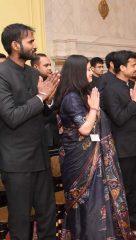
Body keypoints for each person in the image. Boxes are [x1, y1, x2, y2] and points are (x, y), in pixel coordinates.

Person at [55, 55, 136, 239]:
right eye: (87, 69)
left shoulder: (82, 94)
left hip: (93, 154)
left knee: (98, 200)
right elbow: (84, 128)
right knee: (86, 202)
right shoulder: (71, 98)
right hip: (79, 160)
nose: (91, 72)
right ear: (77, 73)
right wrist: (93, 109)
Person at [0, 23, 59, 239]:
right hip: (17, 162)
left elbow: (43, 114)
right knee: (20, 221)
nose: (35, 46)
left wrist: (49, 101)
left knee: (47, 215)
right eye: (30, 41)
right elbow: (12, 117)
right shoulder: (2, 74)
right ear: (15, 45)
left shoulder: (33, 74)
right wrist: (40, 98)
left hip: (40, 156)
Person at [102, 50, 136, 236]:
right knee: (122, 190)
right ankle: (120, 228)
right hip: (122, 148)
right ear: (122, 67)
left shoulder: (131, 85)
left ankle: (134, 221)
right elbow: (119, 118)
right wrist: (134, 102)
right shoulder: (110, 89)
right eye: (133, 65)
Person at [31, 53, 60, 148]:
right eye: (46, 65)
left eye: (50, 65)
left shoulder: (53, 81)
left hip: (55, 133)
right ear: (36, 67)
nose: (49, 68)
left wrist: (50, 101)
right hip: (37, 135)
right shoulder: (30, 85)